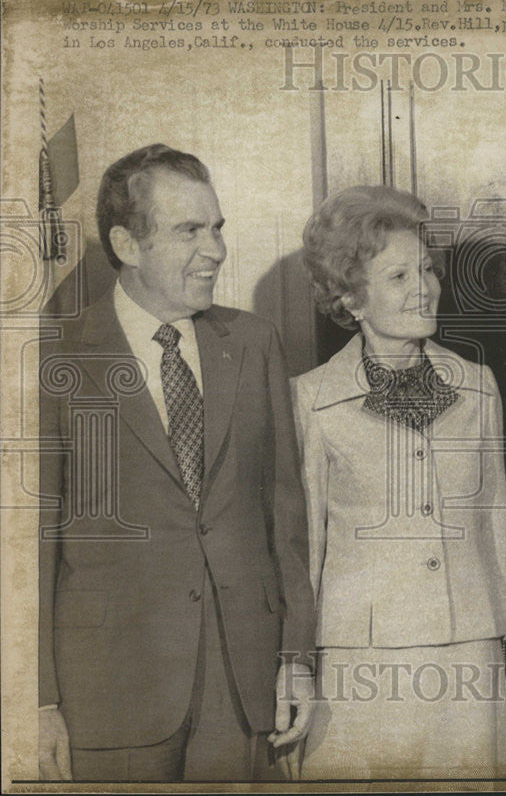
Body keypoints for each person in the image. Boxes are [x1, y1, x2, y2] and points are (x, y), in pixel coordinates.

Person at [37, 145, 316, 781]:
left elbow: (285, 515)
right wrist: (37, 698)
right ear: (127, 244)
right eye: (189, 230)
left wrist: (296, 656)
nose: (215, 250)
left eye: (217, 228)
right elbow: (29, 545)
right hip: (109, 691)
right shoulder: (52, 358)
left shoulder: (253, 343)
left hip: (241, 686)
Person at [293, 185, 506, 779]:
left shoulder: (478, 385)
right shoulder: (311, 399)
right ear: (351, 298)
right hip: (359, 664)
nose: (424, 287)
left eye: (426, 269)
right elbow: (306, 546)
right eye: (398, 276)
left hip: (469, 650)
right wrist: (297, 661)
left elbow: (496, 523)